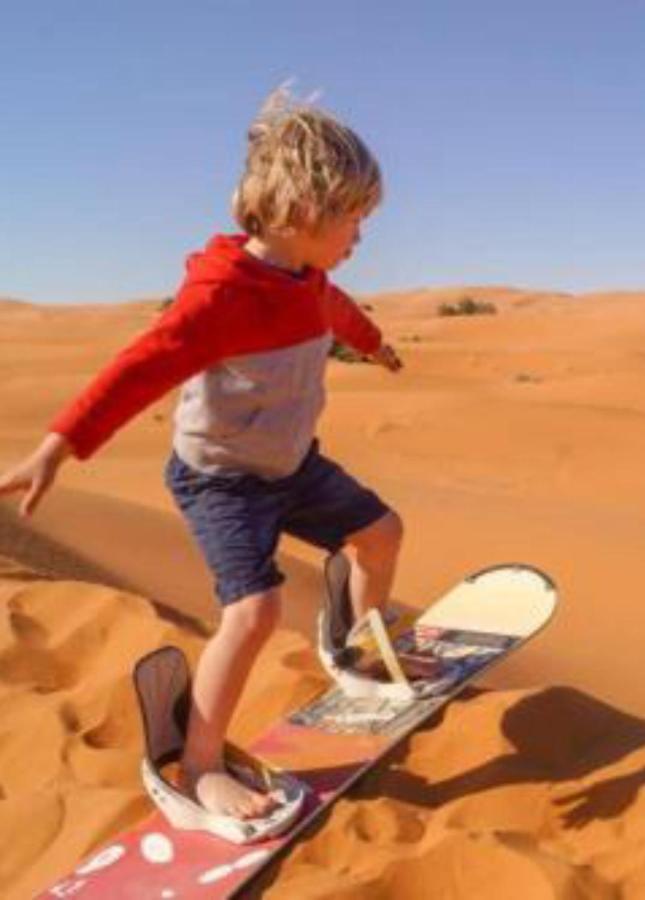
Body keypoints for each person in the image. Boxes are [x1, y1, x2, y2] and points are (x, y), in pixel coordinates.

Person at [0, 85, 406, 821]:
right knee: (253, 613)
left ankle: (349, 645)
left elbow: (340, 311)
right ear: (309, 212)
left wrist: (375, 346)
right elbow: (138, 368)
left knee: (382, 535)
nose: (359, 237)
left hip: (293, 465)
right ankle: (198, 766)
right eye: (355, 220)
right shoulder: (221, 298)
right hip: (222, 482)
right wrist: (59, 447)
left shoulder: (310, 283)